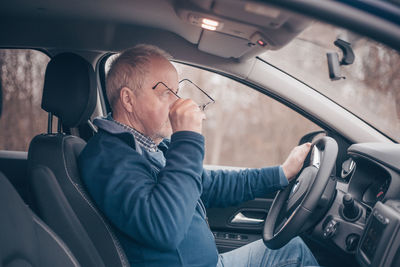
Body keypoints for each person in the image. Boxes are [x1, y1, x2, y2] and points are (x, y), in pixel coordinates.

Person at [78, 44, 319, 267]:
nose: (178, 102)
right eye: (165, 93)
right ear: (128, 100)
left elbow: (209, 184)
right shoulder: (106, 159)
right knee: (293, 254)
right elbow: (164, 229)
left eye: (177, 91)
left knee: (292, 248)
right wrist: (187, 138)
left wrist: (282, 173)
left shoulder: (149, 146)